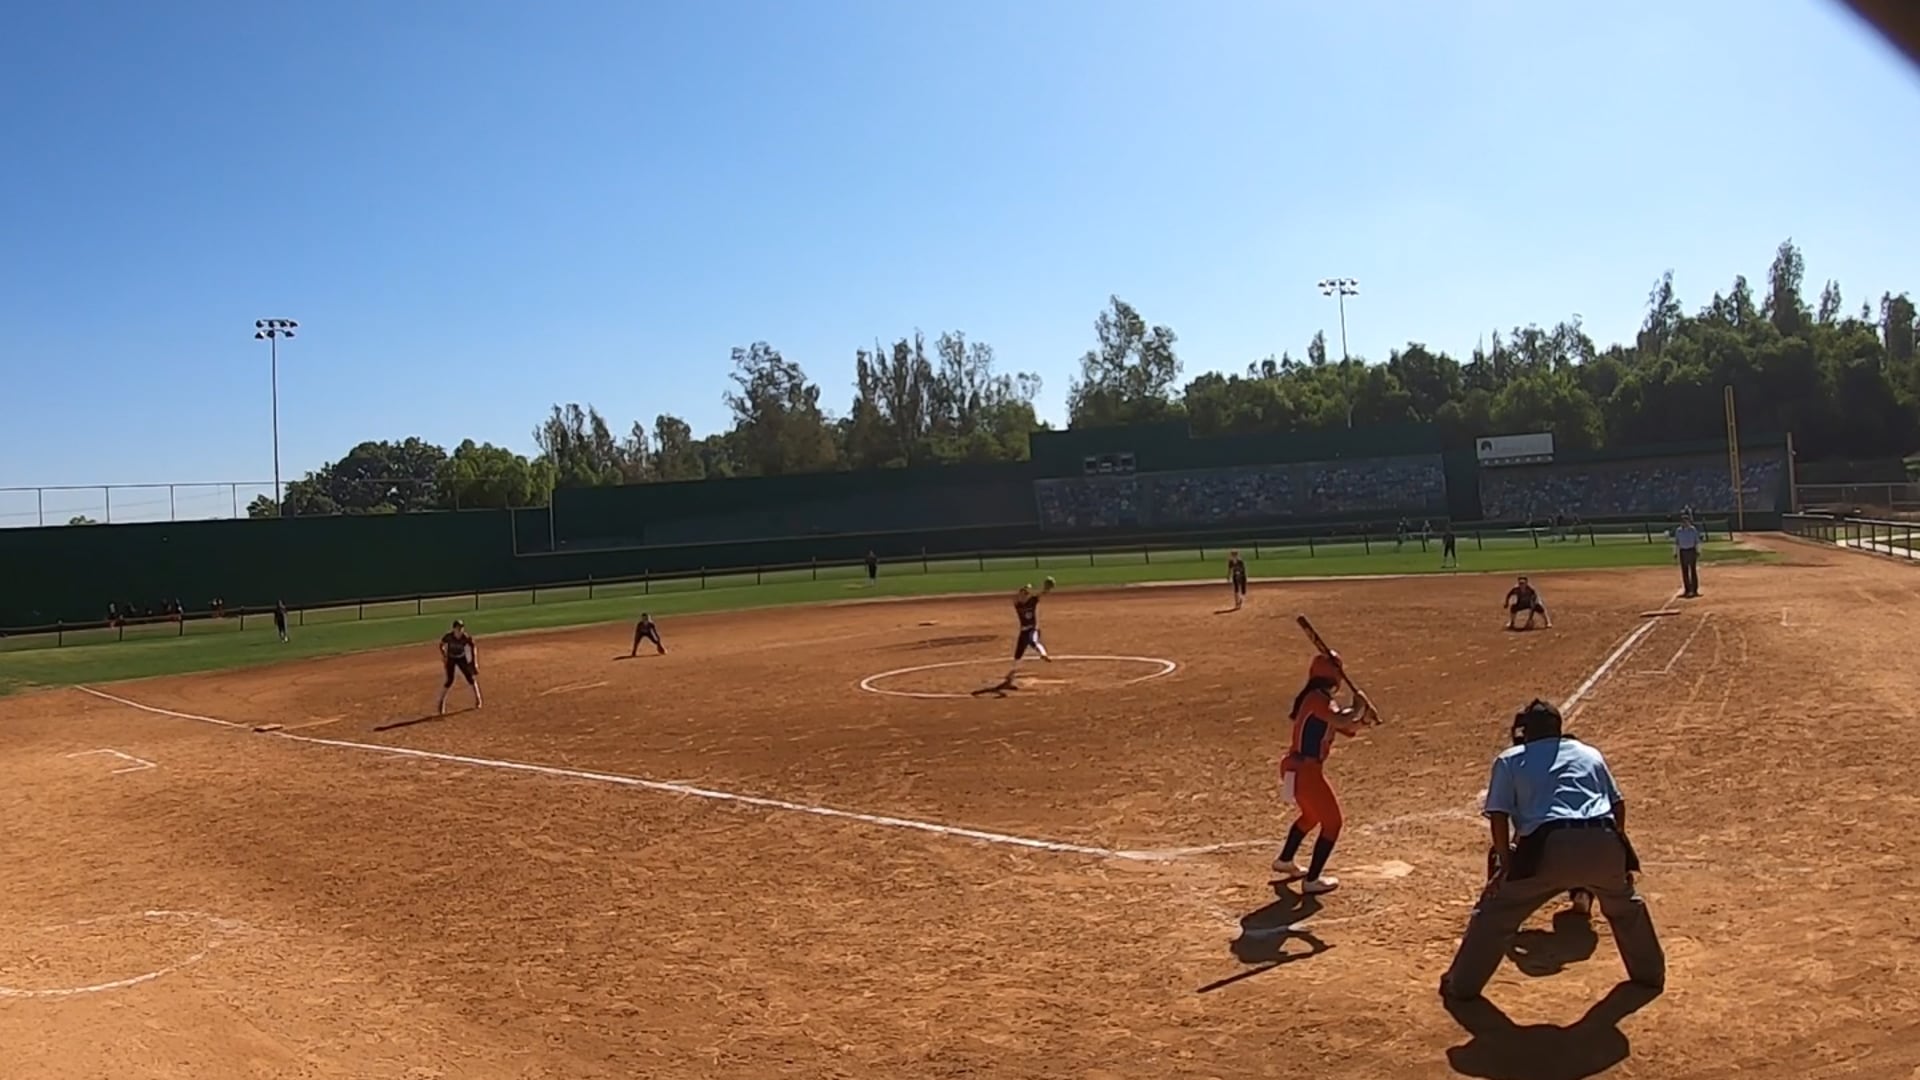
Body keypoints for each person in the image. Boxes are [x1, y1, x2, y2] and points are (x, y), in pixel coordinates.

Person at [1439, 699, 1664, 1002]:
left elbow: (1499, 816)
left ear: (1526, 731)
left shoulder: (1510, 759)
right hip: (1605, 840)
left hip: (1549, 847)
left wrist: (1506, 866)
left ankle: (1461, 985)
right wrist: (1617, 853)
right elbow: (1618, 805)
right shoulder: (1589, 753)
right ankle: (1650, 976)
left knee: (1496, 913)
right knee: (1626, 907)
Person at [1273, 652, 1376, 895]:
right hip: (1306, 770)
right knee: (1332, 823)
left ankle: (1285, 860)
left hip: (1297, 767)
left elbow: (1347, 728)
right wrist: (1357, 706)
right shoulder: (1317, 699)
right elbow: (1340, 720)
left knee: (1311, 816)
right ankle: (1312, 880)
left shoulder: (1321, 700)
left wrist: (1364, 719)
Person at [1003, 578, 1054, 686]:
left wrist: (1046, 588)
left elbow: (1041, 594)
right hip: (1023, 632)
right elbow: (1015, 598)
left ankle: (1043, 654)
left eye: (1026, 594)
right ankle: (1012, 673)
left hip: (1032, 629)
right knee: (1018, 653)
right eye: (1023, 594)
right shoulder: (1018, 605)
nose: (1023, 596)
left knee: (1033, 641)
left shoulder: (1032, 601)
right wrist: (1025, 588)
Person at [436, 619, 482, 715]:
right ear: (454, 629)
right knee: (449, 680)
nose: (460, 630)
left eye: (461, 628)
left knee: (470, 678)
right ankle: (441, 701)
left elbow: (473, 647)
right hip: (451, 658)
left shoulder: (465, 637)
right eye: (458, 628)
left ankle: (478, 698)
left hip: (461, 658)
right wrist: (444, 655)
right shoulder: (449, 637)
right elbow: (441, 644)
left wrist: (474, 662)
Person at [1673, 512, 1702, 598]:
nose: (1685, 523)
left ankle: (1695, 589)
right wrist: (1675, 552)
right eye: (1683, 521)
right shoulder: (1678, 531)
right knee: (1684, 571)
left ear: (1689, 521)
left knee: (1693, 570)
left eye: (1686, 521)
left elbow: (1697, 541)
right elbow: (1676, 543)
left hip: (1691, 550)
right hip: (1683, 551)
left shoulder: (1693, 530)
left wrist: (1698, 551)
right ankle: (1687, 589)